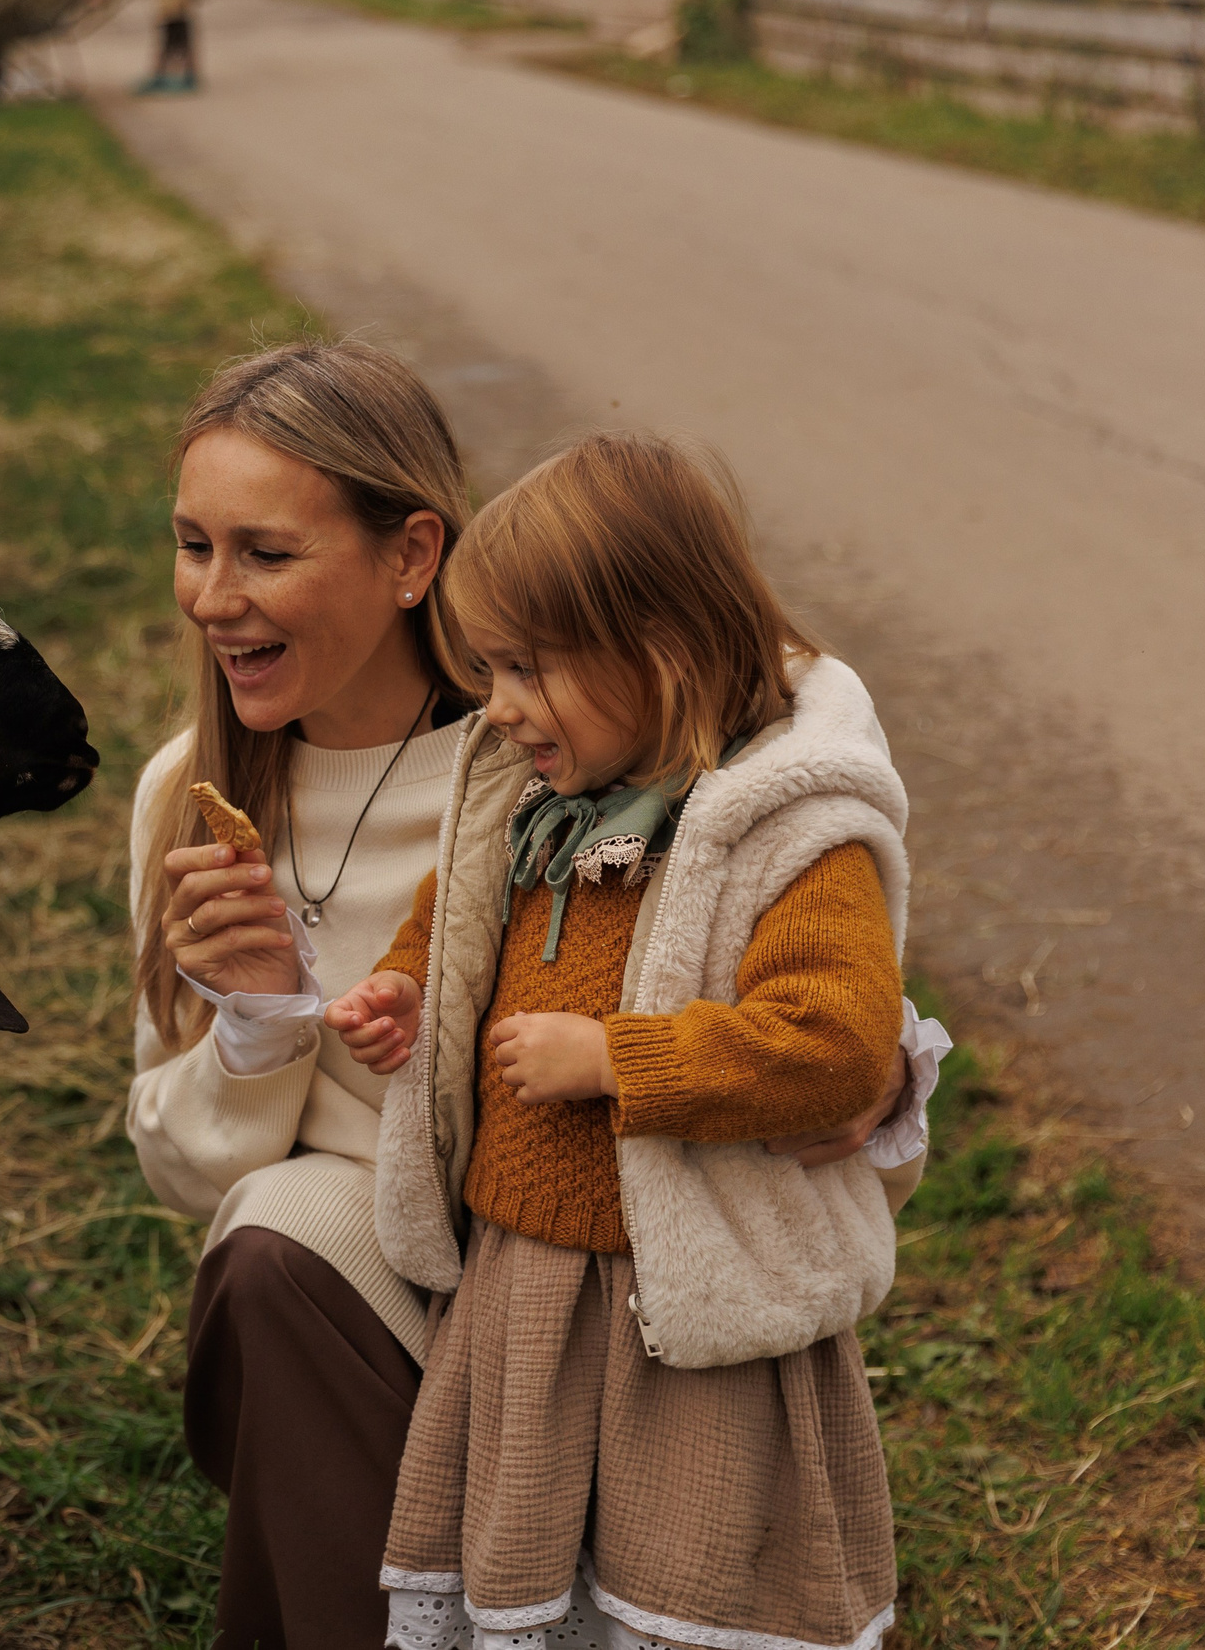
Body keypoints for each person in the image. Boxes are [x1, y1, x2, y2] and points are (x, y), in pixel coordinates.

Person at [124, 347, 921, 1650]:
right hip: (380, 1272)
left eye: (265, 552)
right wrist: (263, 1016)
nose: (214, 597)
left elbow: (811, 984)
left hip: (614, 1260)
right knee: (273, 1238)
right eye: (192, 544)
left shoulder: (574, 766)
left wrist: (878, 1067)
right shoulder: (191, 797)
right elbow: (180, 1159)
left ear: (410, 555)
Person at [325, 431, 929, 1650]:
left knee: (683, 1565)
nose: (495, 705)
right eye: (486, 667)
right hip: (527, 1281)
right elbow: (456, 920)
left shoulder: (786, 834)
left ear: (656, 653)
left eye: (525, 669)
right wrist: (404, 990)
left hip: (683, 1311)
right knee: (536, 1556)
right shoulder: (543, 805)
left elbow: (837, 1044)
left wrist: (618, 1061)